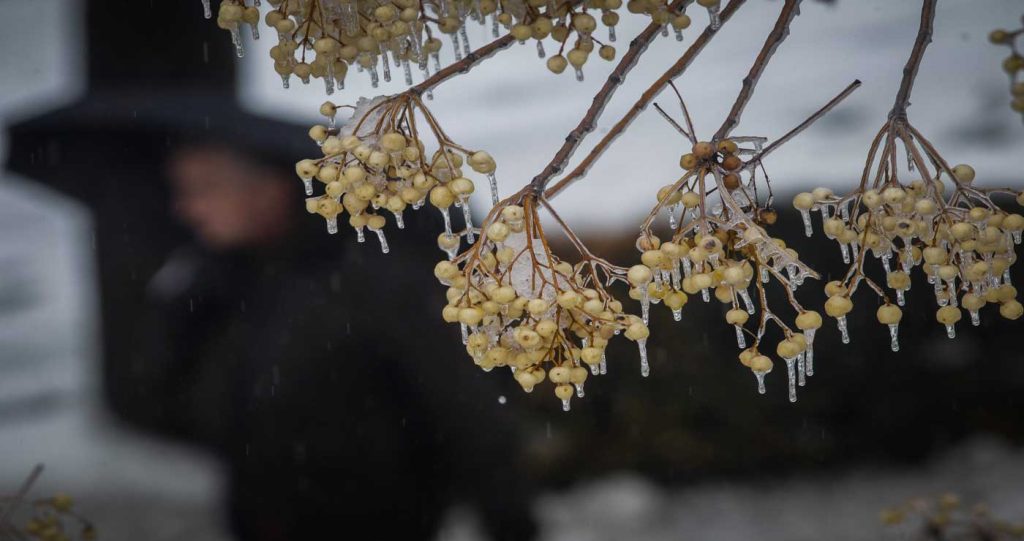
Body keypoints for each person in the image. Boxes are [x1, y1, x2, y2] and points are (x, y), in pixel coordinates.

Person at [128, 139, 538, 540]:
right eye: (180, 191)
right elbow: (162, 401)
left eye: (205, 188)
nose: (185, 208)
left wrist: (509, 522)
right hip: (261, 520)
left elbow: (465, 407)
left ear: (273, 187)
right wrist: (179, 304)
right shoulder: (223, 282)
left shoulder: (374, 279)